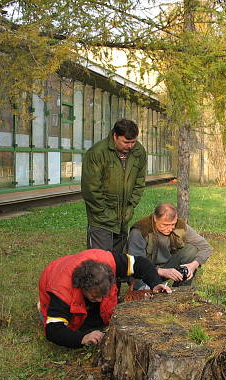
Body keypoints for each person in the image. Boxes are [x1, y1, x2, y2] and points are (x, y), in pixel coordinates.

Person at [38, 249, 171, 348]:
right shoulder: (61, 290)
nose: (101, 300)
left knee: (103, 317)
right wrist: (83, 338)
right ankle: (43, 308)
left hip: (77, 272)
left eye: (104, 295)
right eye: (95, 296)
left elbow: (140, 263)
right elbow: (53, 330)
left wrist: (155, 283)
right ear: (83, 287)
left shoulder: (109, 261)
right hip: (54, 280)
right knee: (79, 326)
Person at [81, 119, 146, 253]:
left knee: (118, 261)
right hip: (100, 219)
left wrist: (130, 205)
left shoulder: (139, 152)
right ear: (115, 136)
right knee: (99, 262)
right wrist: (104, 213)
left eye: (133, 142)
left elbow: (139, 182)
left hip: (123, 217)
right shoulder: (97, 153)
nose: (130, 146)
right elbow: (91, 189)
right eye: (126, 142)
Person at [128, 203, 212, 288]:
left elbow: (206, 247)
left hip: (167, 267)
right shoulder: (140, 230)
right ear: (155, 218)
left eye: (172, 224)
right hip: (142, 272)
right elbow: (134, 263)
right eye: (165, 225)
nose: (170, 228)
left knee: (191, 250)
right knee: (145, 293)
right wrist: (161, 271)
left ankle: (181, 291)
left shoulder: (180, 226)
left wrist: (193, 265)